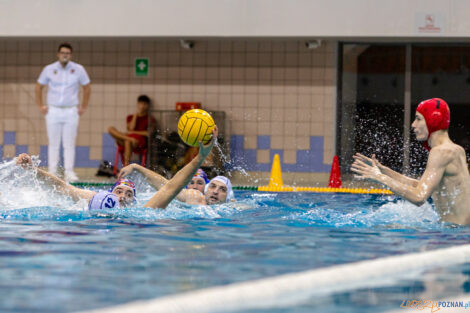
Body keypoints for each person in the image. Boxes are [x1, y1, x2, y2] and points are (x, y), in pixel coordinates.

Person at [15, 127, 217, 210]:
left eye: (128, 194)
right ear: (110, 192)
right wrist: (33, 169)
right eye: (119, 190)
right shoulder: (96, 199)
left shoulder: (144, 211)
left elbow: (170, 188)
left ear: (134, 201)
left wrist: (200, 157)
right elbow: (62, 187)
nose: (122, 195)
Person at [351, 98, 470, 225]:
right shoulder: (455, 150)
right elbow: (422, 186)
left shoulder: (441, 152)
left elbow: (419, 197)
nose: (413, 124)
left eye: (418, 119)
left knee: (385, 228)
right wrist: (385, 171)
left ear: (433, 120)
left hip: (452, 235)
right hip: (457, 232)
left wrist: (379, 178)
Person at [35, 42, 91, 182]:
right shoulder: (49, 69)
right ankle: (53, 171)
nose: (65, 55)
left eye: (67, 53)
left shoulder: (78, 69)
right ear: (58, 54)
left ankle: (69, 172)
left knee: (69, 143)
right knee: (53, 143)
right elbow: (38, 86)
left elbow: (87, 87)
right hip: (53, 110)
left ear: (70, 55)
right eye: (62, 53)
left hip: (71, 110)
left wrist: (83, 106)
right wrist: (41, 105)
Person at [119, 165, 234, 205]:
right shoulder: (193, 196)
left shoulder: (232, 208)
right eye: (213, 186)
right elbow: (166, 186)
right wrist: (137, 167)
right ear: (207, 189)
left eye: (222, 189)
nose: (215, 191)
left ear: (228, 196)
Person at [108, 95, 155, 167]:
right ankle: (129, 139)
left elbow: (148, 133)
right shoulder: (130, 117)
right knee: (110, 128)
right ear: (137, 104)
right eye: (141, 103)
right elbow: (131, 128)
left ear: (148, 106)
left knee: (127, 141)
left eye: (144, 104)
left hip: (139, 142)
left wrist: (133, 133)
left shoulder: (150, 119)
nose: (142, 106)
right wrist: (136, 115)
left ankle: (125, 168)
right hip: (129, 138)